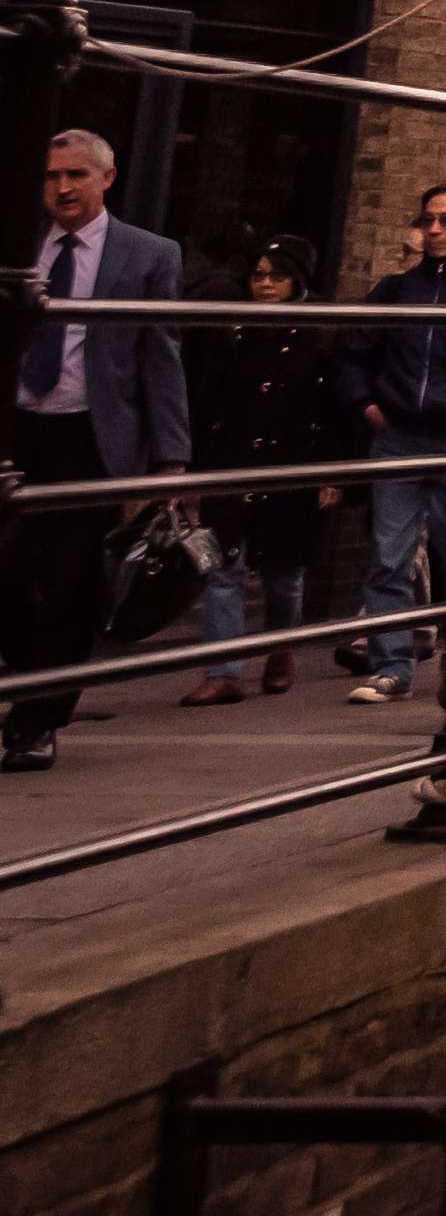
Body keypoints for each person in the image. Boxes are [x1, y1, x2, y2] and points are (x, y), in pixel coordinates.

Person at [5, 130, 192, 765]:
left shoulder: (149, 254)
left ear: (107, 178)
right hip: (15, 432)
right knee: (9, 575)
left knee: (69, 585)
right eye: (51, 176)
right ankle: (30, 680)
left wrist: (171, 459)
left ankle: (37, 721)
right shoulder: (18, 243)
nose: (62, 189)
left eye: (76, 175)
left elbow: (162, 356)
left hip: (88, 438)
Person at [341, 179, 446, 707]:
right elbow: (354, 350)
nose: (433, 230)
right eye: (427, 219)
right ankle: (391, 667)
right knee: (389, 557)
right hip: (400, 436)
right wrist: (366, 404)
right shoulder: (396, 289)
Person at [183, 236, 356, 700]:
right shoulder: (234, 327)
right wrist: (195, 464)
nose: (264, 285)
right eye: (258, 275)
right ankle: (223, 672)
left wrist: (332, 471)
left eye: (277, 276)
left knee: (284, 573)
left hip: (293, 460)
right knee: (224, 566)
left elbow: (335, 406)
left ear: (297, 280)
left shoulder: (322, 330)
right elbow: (208, 395)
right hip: (233, 456)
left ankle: (281, 647)